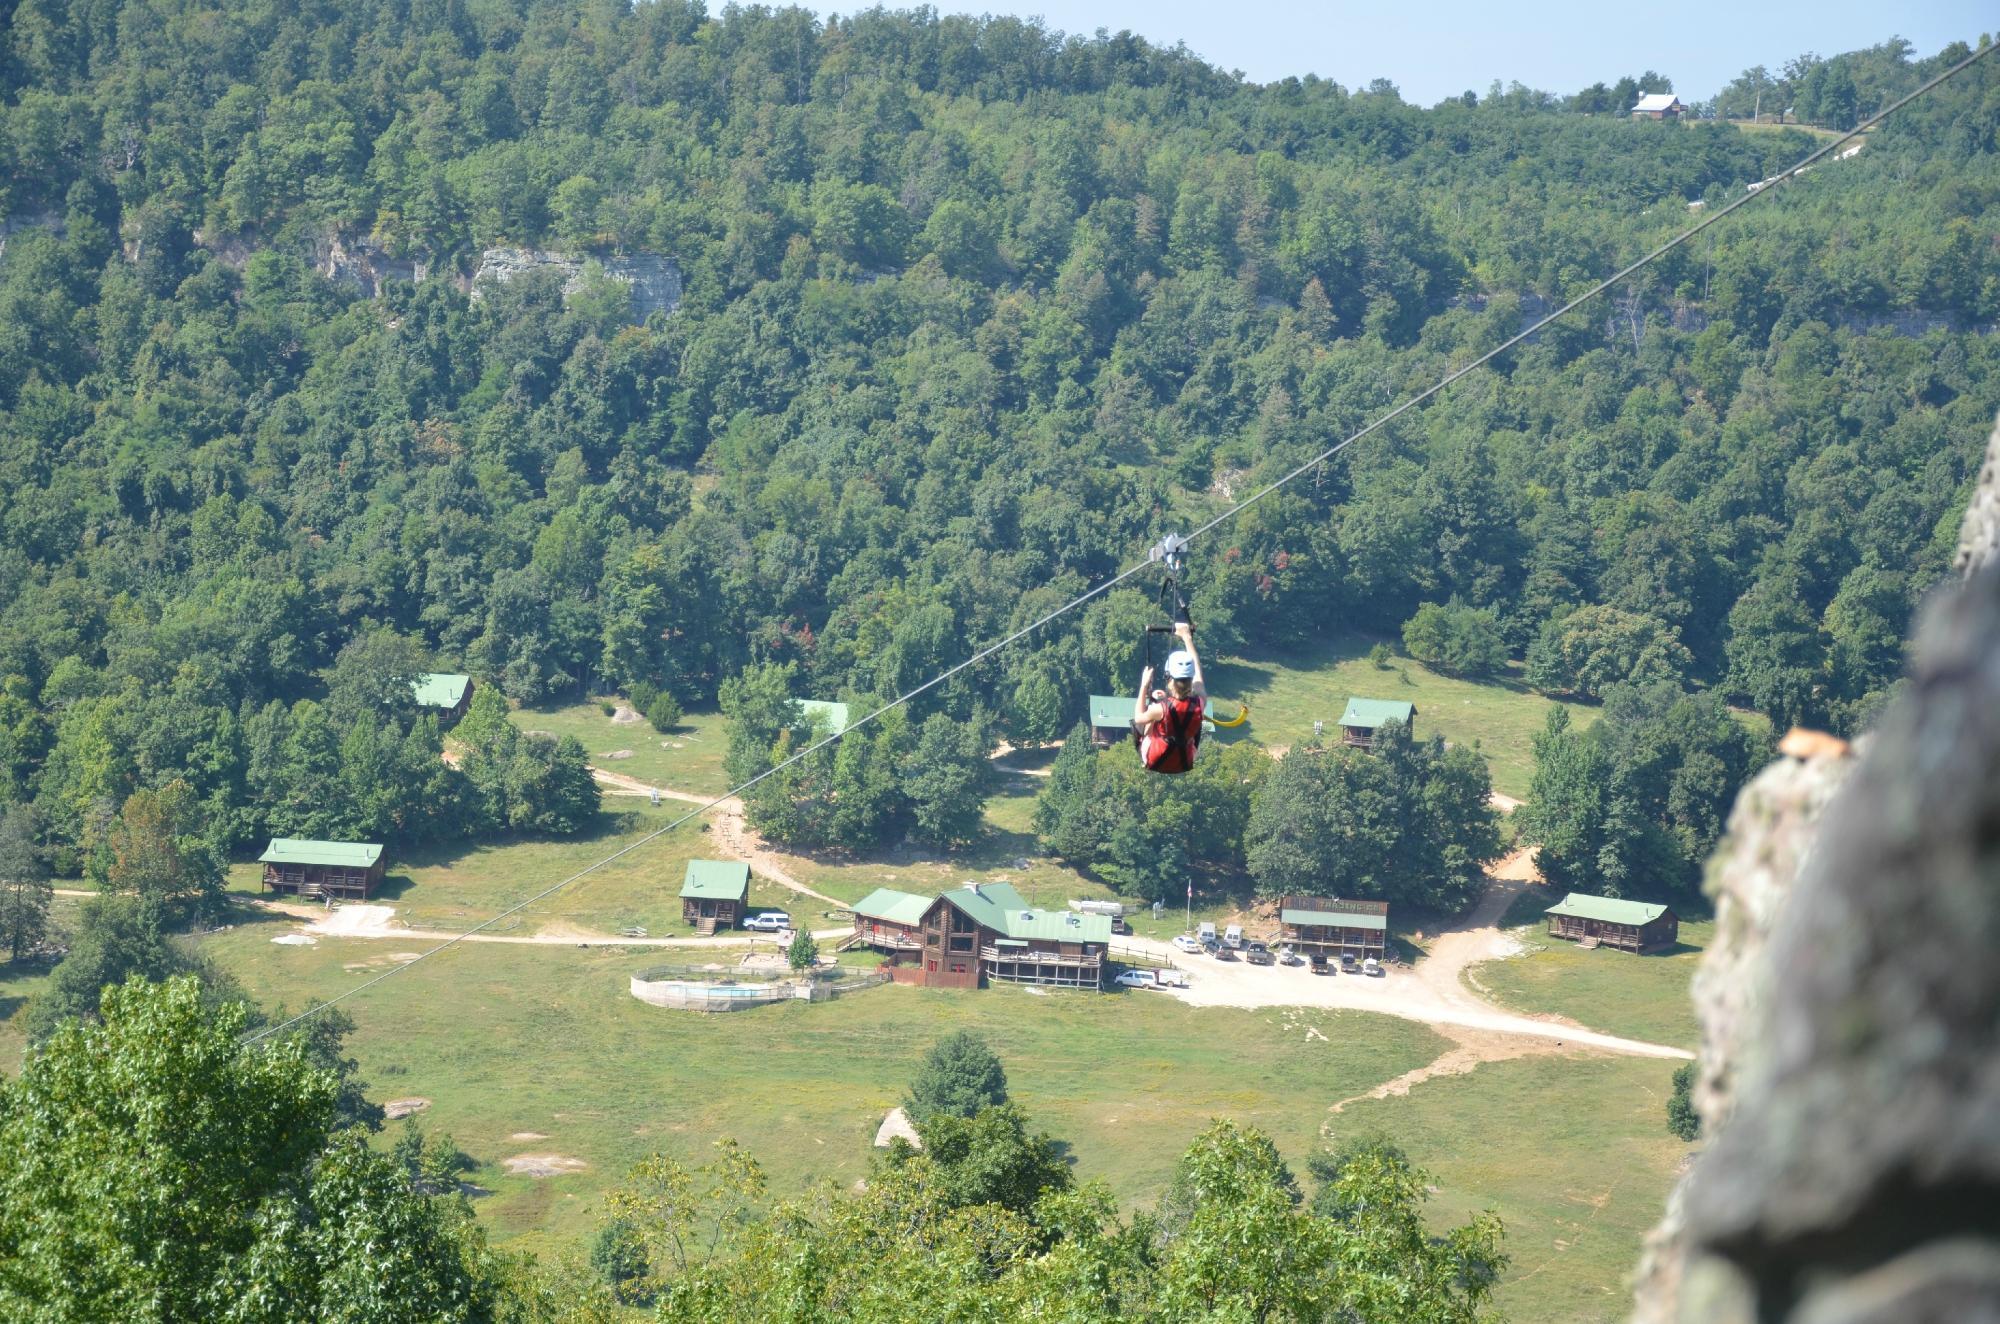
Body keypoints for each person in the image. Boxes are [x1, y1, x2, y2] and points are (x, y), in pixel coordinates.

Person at [1133, 621, 1206, 774]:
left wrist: (1144, 686)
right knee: (1195, 720)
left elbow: (1139, 718)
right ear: (1190, 679)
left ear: (1169, 678)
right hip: (1184, 760)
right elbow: (1198, 672)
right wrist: (1187, 638)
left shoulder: (1160, 709)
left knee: (1146, 717)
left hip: (1155, 758)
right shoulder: (1200, 702)